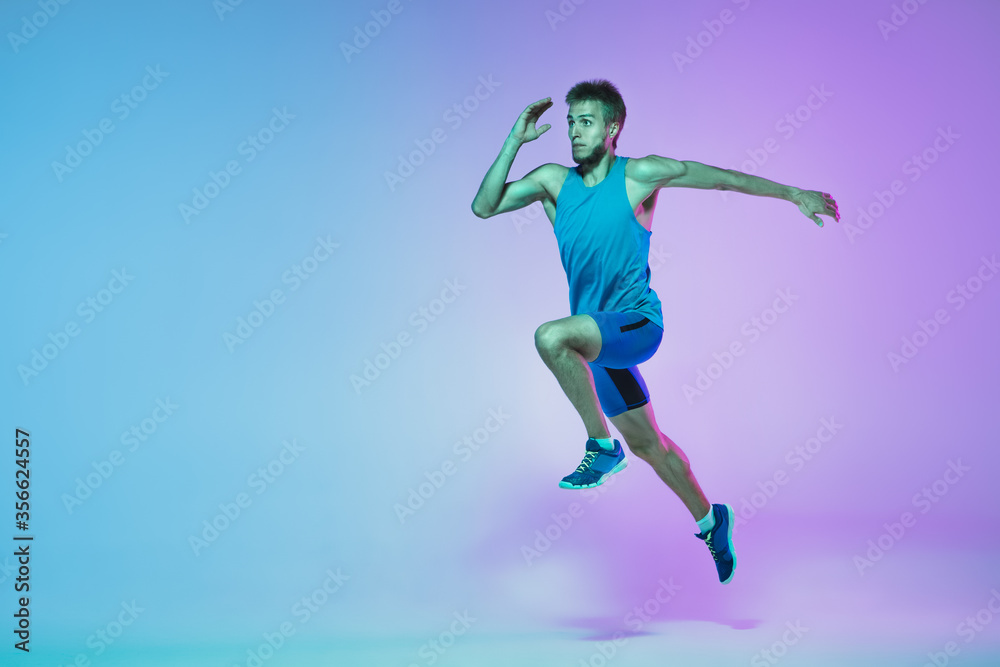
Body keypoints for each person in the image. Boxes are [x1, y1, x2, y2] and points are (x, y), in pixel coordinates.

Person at [470, 79, 839, 585]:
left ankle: (600, 449)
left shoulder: (639, 175)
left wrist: (792, 193)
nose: (575, 131)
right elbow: (484, 206)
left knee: (550, 337)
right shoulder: (554, 181)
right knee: (651, 448)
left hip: (637, 324)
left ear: (612, 127)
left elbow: (721, 180)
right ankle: (712, 521)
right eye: (572, 121)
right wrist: (514, 140)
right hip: (597, 348)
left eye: (586, 121)